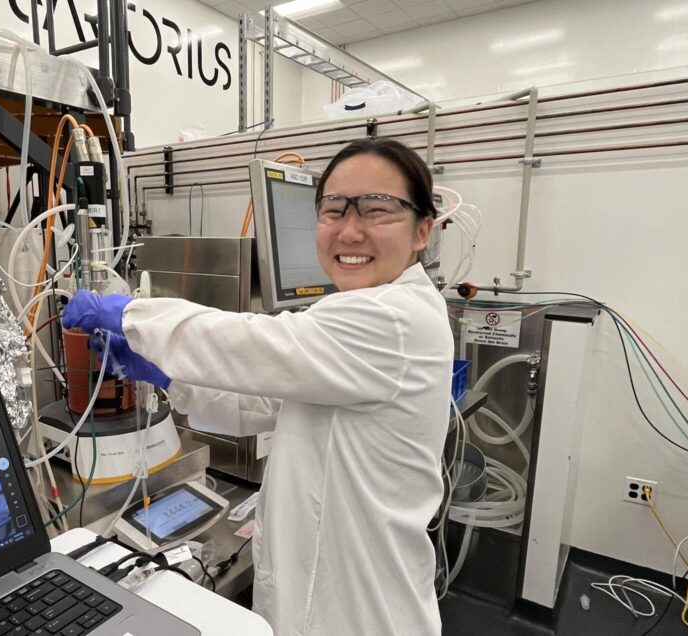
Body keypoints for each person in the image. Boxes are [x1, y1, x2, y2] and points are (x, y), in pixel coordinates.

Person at [63, 138, 454, 635]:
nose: (350, 230)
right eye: (333, 209)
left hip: (361, 614)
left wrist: (132, 315)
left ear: (423, 230)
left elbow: (249, 343)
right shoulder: (364, 319)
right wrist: (166, 374)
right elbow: (267, 397)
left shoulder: (395, 320)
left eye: (378, 209)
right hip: (325, 596)